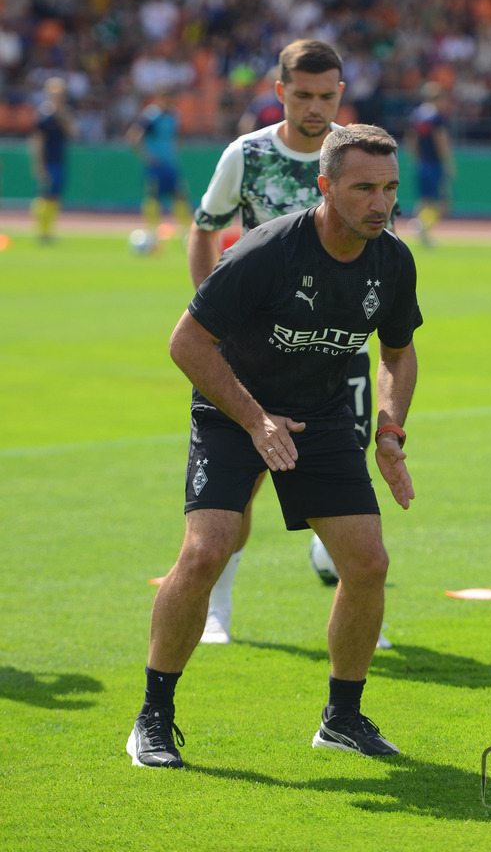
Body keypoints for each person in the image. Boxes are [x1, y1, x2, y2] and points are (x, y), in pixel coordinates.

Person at [127, 123, 422, 769]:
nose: (381, 203)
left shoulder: (394, 260)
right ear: (326, 187)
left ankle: (342, 719)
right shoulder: (267, 251)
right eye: (364, 188)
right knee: (205, 553)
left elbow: (398, 353)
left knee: (367, 564)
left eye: (390, 188)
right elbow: (186, 343)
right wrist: (257, 421)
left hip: (321, 418)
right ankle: (153, 716)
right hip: (232, 412)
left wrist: (389, 430)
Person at [187, 38, 391, 648]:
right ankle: (219, 606)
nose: (315, 107)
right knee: (244, 478)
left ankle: (358, 596)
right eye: (302, 95)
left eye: (327, 95)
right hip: (260, 353)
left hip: (340, 347)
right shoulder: (247, 154)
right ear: (281, 92)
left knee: (348, 471)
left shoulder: (359, 155)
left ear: (341, 93)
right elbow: (205, 228)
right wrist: (214, 312)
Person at [126, 89, 192, 240]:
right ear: (160, 98)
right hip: (156, 165)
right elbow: (133, 135)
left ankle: (186, 231)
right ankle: (151, 231)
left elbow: (176, 136)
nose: (170, 101)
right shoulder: (151, 115)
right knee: (153, 197)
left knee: (180, 195)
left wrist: (175, 151)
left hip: (170, 163)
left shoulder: (174, 115)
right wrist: (146, 156)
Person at [403, 81, 457, 246]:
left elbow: (411, 140)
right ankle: (420, 226)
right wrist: (448, 164)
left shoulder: (417, 115)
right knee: (442, 202)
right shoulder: (436, 117)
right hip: (434, 164)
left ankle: (421, 228)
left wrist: (416, 159)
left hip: (422, 163)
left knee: (425, 200)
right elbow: (441, 142)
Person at [29, 77, 77, 242]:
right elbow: (37, 142)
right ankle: (41, 231)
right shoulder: (44, 114)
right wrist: (39, 164)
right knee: (45, 196)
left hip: (60, 160)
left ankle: (49, 230)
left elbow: (72, 134)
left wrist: (63, 116)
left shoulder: (65, 114)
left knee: (55, 197)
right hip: (48, 161)